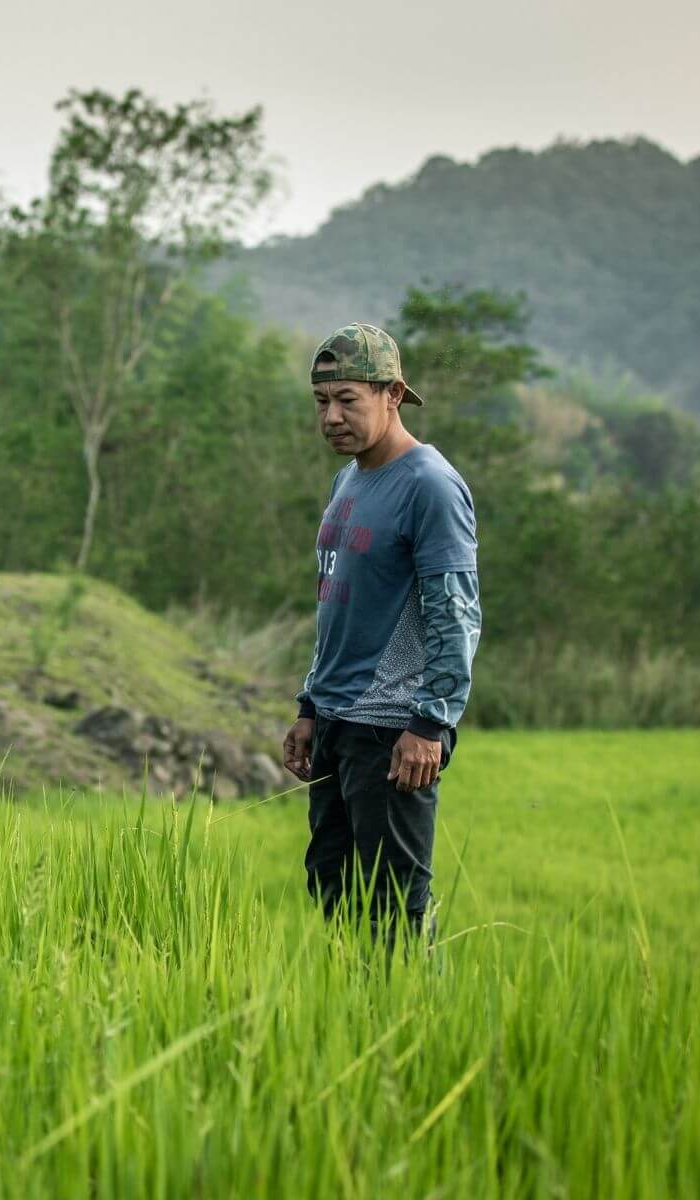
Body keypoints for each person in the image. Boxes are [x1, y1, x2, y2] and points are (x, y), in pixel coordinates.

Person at [280, 323, 482, 942]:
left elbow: (456, 614)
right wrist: (310, 707)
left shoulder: (429, 486)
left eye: (348, 400)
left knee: (394, 911)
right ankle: (351, 1003)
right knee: (333, 893)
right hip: (336, 723)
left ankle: (412, 1007)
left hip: (393, 731)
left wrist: (431, 723)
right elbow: (338, 607)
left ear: (393, 394)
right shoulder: (348, 480)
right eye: (322, 402)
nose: (331, 418)